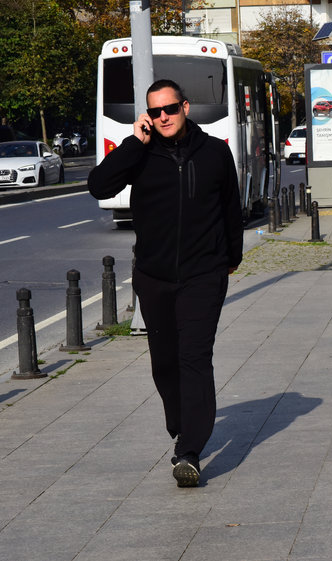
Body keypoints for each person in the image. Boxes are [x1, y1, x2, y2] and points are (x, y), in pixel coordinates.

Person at [88, 79, 243, 487]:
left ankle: (189, 450)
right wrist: (133, 144)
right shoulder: (140, 154)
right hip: (154, 277)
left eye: (169, 109)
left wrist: (231, 258)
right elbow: (98, 186)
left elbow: (231, 207)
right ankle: (180, 426)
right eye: (154, 112)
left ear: (185, 107)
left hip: (203, 274)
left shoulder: (215, 152)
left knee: (195, 357)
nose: (163, 117)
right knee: (165, 364)